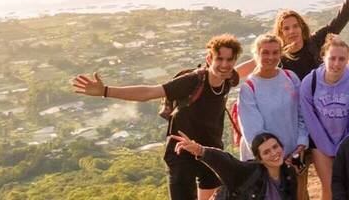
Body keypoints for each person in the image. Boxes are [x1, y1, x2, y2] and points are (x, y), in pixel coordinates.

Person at [72, 34, 243, 200]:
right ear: (209, 59)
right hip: (181, 153)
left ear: (234, 61)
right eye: (219, 59)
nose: (224, 64)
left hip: (209, 152)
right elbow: (148, 92)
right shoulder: (191, 81)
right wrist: (105, 91)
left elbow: (253, 65)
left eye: (229, 60)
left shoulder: (229, 79)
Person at [235, 33, 308, 198]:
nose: (271, 57)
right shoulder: (249, 88)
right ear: (256, 54)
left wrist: (301, 144)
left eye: (275, 52)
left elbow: (302, 114)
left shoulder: (290, 77)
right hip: (265, 161)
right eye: (265, 53)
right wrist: (275, 157)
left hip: (292, 155)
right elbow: (254, 132)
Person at [300, 35, 349, 200]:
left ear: (348, 59)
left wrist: (344, 144)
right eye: (332, 58)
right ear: (323, 57)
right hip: (321, 143)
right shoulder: (310, 82)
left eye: (342, 59)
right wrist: (329, 148)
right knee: (330, 187)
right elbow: (311, 119)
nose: (336, 64)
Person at [169, 130, 298, 200]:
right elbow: (225, 161)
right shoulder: (249, 172)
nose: (274, 153)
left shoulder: (289, 173)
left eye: (275, 147)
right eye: (266, 152)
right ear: (260, 159)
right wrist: (198, 149)